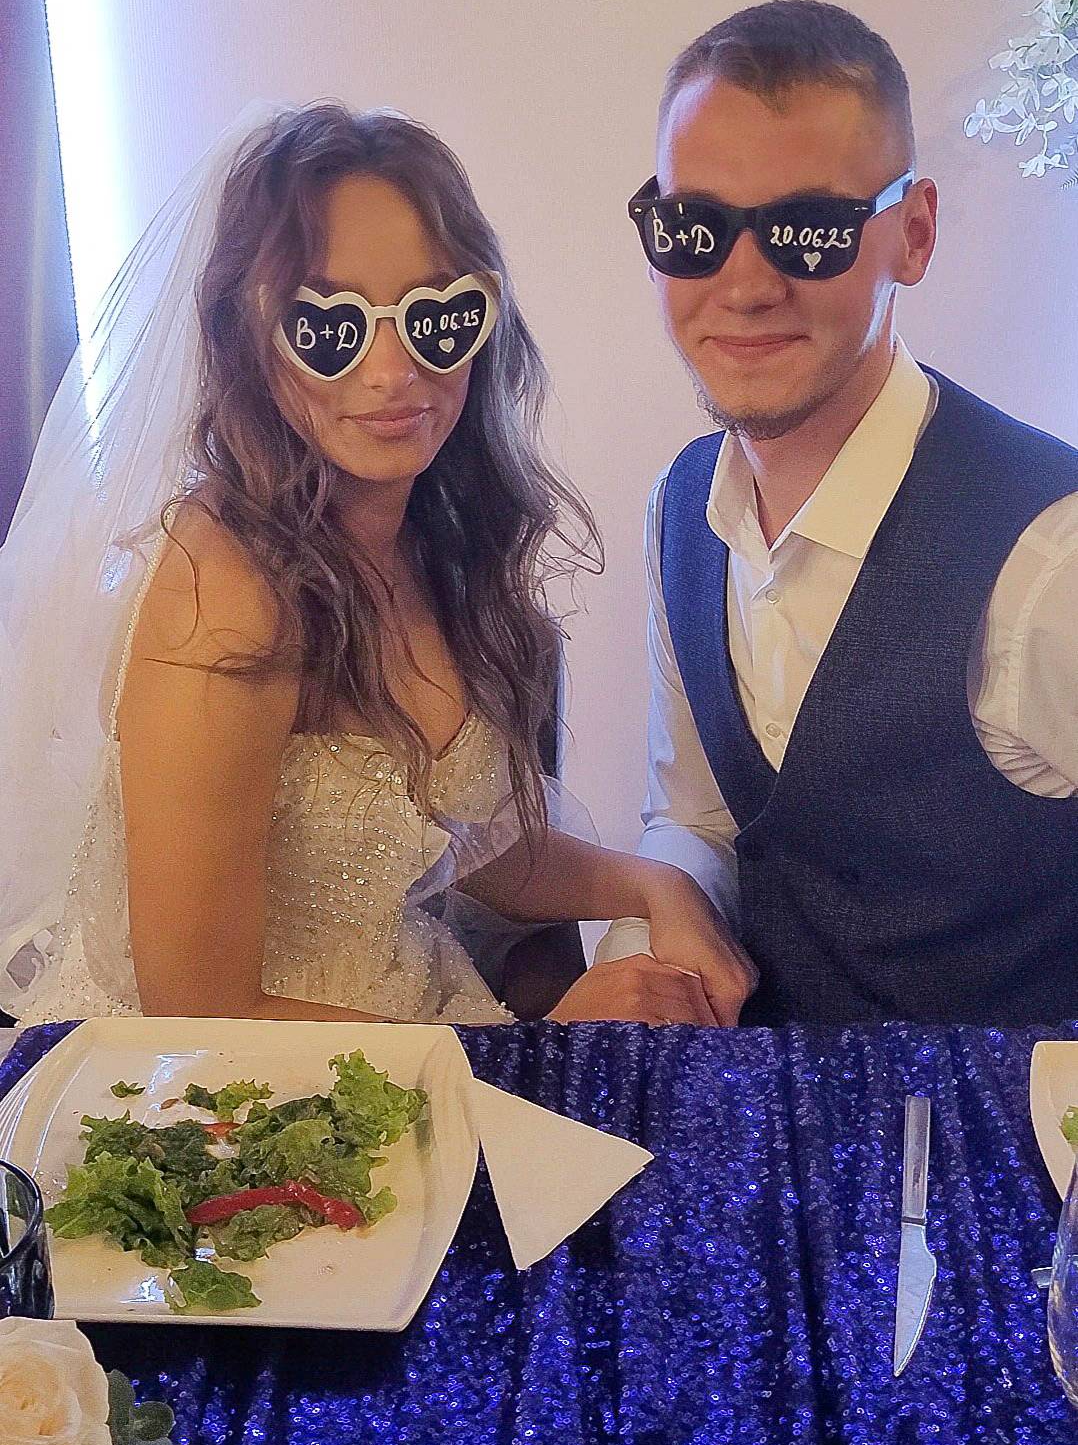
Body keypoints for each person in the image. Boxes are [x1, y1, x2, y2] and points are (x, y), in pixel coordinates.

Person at [0, 104, 745, 1029]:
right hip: (265, 1089)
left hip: (419, 1028)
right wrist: (539, 1048)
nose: (394, 370)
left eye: (436, 317)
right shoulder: (224, 587)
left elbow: (467, 838)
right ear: (249, 337)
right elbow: (199, 1011)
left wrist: (655, 885)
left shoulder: (428, 537)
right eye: (332, 326)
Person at [596, 0, 1078, 1026]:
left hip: (1000, 1123)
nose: (744, 284)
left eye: (807, 231)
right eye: (694, 229)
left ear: (913, 234)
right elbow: (699, 816)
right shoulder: (682, 510)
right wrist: (651, 942)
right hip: (751, 1103)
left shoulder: (1049, 559)